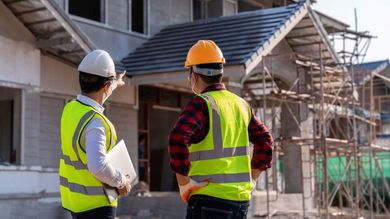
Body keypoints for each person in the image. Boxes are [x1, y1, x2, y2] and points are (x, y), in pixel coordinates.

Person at [168, 40, 274, 219]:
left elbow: (177, 138)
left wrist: (184, 184)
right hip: (240, 202)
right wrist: (253, 178)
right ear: (220, 73)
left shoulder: (202, 103)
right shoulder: (241, 104)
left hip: (209, 200)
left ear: (194, 75)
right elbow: (266, 141)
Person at [59, 50, 132, 219]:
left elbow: (94, 98)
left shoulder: (70, 109)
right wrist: (122, 181)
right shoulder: (95, 122)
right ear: (105, 86)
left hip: (75, 202)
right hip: (97, 207)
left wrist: (114, 84)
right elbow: (97, 165)